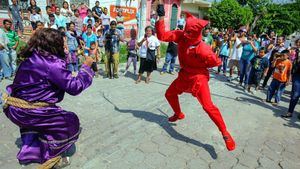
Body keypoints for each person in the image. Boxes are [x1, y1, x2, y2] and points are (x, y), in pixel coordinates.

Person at [2, 28, 94, 168]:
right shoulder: (52, 64)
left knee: (44, 120)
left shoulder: (32, 58)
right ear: (53, 45)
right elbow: (74, 87)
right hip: (29, 112)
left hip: (14, 109)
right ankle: (50, 156)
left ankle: (30, 151)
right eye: (63, 44)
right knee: (69, 121)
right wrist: (86, 68)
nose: (66, 47)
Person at [155, 2, 235, 151]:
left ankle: (225, 133)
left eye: (189, 33)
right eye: (185, 31)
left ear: (196, 33)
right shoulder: (181, 37)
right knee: (170, 94)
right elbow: (163, 36)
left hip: (199, 78)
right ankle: (178, 114)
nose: (185, 34)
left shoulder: (203, 50)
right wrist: (160, 17)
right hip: (184, 75)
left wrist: (206, 57)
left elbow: (216, 62)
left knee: (208, 107)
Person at [282, 39, 300, 118]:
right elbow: (290, 61)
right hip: (297, 74)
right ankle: (290, 111)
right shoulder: (294, 51)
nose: (299, 44)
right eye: (298, 42)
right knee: (295, 94)